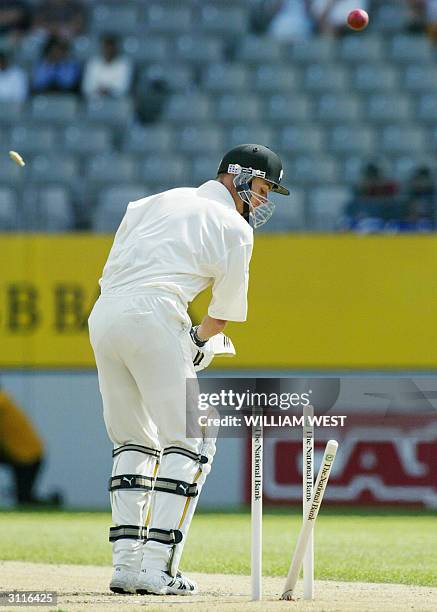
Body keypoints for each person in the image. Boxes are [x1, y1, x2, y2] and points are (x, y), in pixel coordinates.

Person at [88, 144, 290, 596]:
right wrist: (198, 341)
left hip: (104, 314)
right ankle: (157, 568)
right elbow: (221, 314)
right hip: (156, 313)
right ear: (236, 176)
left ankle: (125, 565)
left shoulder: (150, 202)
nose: (262, 199)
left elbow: (119, 270)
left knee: (134, 440)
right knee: (193, 437)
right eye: (261, 187)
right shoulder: (236, 229)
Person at [0, 383, 62, 506]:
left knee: (24, 500)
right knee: (24, 498)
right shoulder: (3, 398)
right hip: (26, 454)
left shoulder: (2, 401)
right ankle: (51, 502)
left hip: (27, 457)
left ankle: (52, 503)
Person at [82, 34, 133, 99]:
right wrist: (100, 91)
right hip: (95, 99)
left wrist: (108, 91)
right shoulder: (93, 63)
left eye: (110, 47)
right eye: (105, 47)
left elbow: (124, 88)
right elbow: (87, 87)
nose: (108, 50)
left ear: (115, 48)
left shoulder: (125, 64)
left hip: (117, 101)